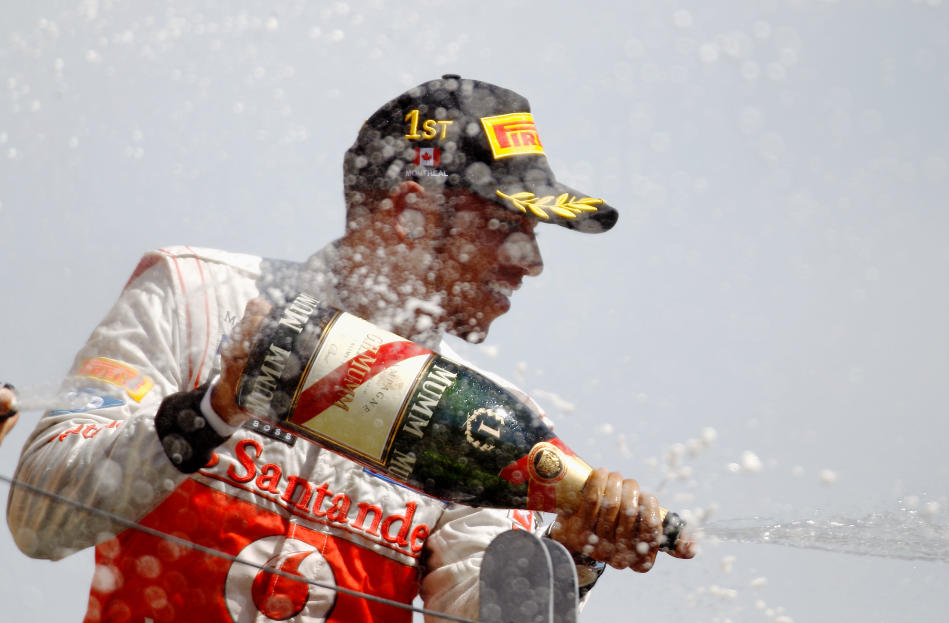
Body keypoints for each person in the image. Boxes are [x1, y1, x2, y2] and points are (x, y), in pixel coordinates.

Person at [7, 75, 693, 623]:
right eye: (504, 226)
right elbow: (39, 516)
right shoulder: (195, 294)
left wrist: (572, 558)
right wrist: (214, 409)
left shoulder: (490, 424)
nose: (531, 261)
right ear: (408, 214)